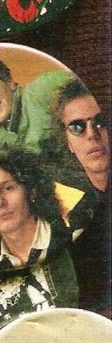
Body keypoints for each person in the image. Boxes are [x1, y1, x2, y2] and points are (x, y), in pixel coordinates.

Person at [44, 79, 109, 234]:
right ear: (68, 143)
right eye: (77, 127)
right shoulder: (78, 215)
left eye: (100, 122)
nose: (92, 134)